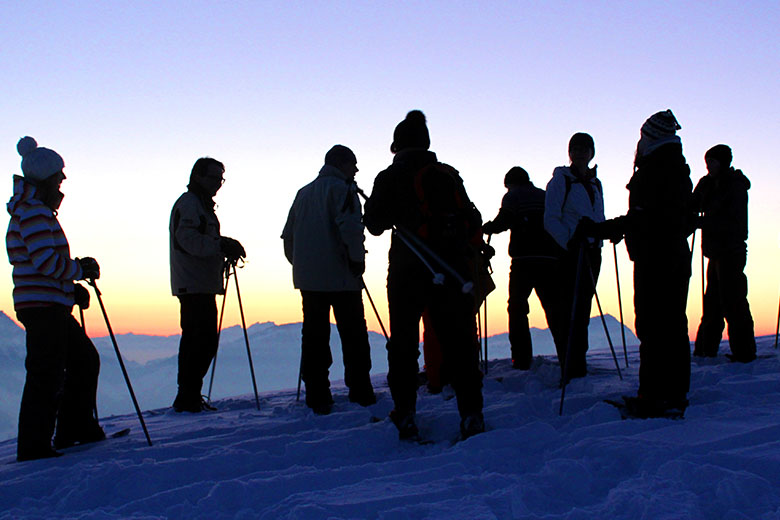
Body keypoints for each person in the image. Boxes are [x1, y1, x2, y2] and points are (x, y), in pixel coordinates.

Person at [363, 110, 486, 440]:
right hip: (451, 269)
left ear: (397, 146)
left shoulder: (389, 176)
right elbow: (472, 218)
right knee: (460, 340)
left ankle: (405, 414)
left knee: (403, 344)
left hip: (407, 270)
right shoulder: (448, 175)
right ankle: (471, 412)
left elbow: (373, 225)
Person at [7, 136, 105, 461]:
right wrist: (79, 270)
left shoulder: (35, 210)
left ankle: (71, 429)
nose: (63, 179)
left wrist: (70, 288)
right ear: (46, 177)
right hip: (43, 307)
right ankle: (37, 444)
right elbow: (46, 262)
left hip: (47, 302)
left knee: (79, 362)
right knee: (48, 372)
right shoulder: (34, 212)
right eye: (59, 174)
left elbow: (44, 265)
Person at [281, 145, 376, 415]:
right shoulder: (343, 190)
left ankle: (317, 393)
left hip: (309, 280)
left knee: (313, 336)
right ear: (341, 164)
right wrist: (357, 261)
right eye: (353, 164)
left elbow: (289, 236)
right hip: (342, 276)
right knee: (354, 334)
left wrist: (301, 264)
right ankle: (360, 390)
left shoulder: (303, 193)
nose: (356, 169)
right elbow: (351, 229)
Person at [621, 109, 694, 417]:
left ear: (650, 137)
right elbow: (682, 217)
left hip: (655, 257)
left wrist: (618, 228)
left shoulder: (654, 169)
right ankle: (674, 393)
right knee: (674, 323)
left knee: (653, 325)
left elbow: (646, 216)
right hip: (674, 255)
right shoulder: (677, 167)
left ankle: (653, 396)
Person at [169, 157, 245, 413]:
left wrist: (220, 245)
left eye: (221, 179)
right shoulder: (190, 205)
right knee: (201, 341)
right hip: (194, 283)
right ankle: (187, 397)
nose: (218, 184)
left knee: (197, 340)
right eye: (214, 178)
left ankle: (188, 395)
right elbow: (187, 240)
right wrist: (220, 245)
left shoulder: (198, 204)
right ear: (198, 177)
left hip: (196, 282)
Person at [483, 167, 563, 370]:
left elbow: (505, 220)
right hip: (549, 259)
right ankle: (566, 354)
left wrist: (489, 227)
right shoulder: (545, 196)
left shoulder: (513, 197)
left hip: (523, 260)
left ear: (510, 184)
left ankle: (521, 359)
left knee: (517, 307)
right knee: (554, 309)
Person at [543, 133, 605, 381]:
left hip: (591, 251)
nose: (579, 153)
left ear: (592, 152)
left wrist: (602, 235)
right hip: (571, 252)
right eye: (575, 149)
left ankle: (578, 362)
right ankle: (572, 365)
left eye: (584, 149)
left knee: (583, 308)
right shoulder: (561, 181)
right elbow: (550, 218)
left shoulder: (594, 183)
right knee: (571, 309)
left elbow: (597, 215)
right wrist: (569, 241)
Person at [692, 145, 756, 362]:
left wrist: (702, 220)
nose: (708, 166)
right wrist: (701, 191)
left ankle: (743, 352)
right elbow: (695, 204)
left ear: (723, 162)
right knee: (713, 303)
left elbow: (730, 219)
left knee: (733, 301)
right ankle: (704, 350)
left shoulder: (735, 186)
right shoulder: (712, 184)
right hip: (716, 251)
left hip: (731, 250)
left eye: (712, 162)